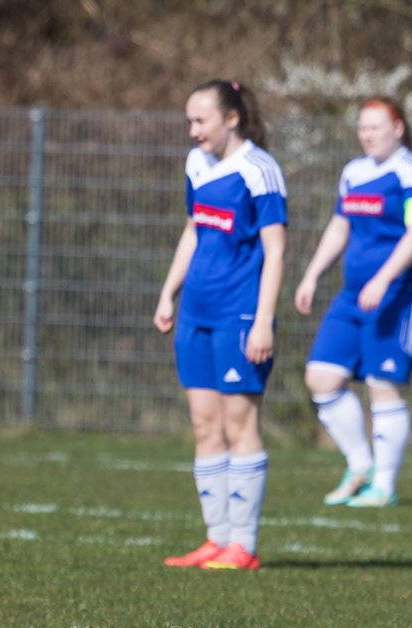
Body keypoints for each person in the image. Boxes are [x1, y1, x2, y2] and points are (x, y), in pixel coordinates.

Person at [154, 80, 287, 571]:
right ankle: (216, 539)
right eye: (189, 121)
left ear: (231, 118)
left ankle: (243, 547)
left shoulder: (260, 170)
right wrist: (169, 292)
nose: (193, 131)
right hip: (196, 313)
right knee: (205, 424)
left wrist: (264, 322)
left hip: (241, 315)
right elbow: (194, 230)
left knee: (239, 423)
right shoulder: (196, 164)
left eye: (200, 121)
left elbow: (276, 250)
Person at [294, 97, 412, 508]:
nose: (367, 135)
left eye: (376, 127)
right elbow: (340, 226)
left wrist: (382, 279)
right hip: (352, 297)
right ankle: (360, 467)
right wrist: (311, 274)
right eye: (362, 127)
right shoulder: (354, 173)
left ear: (398, 128)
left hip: (401, 294)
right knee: (321, 378)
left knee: (382, 385)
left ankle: (384, 485)